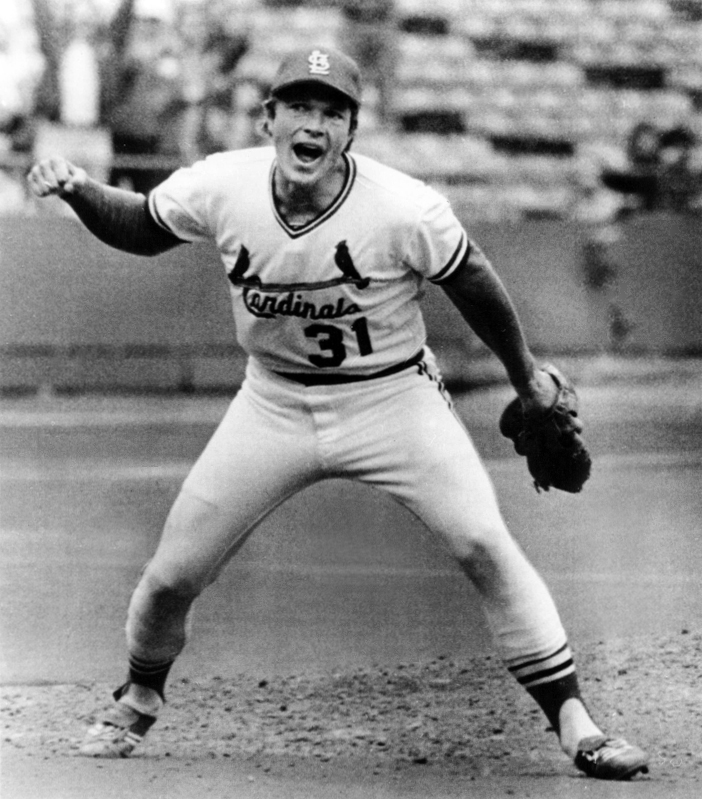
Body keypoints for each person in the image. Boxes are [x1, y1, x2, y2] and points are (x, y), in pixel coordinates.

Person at [28, 46, 649, 780]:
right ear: (268, 119)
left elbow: (474, 279)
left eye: (331, 112)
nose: (312, 124)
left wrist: (527, 378)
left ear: (352, 130)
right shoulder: (223, 184)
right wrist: (78, 189)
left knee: (483, 543)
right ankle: (138, 695)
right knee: (171, 576)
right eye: (298, 106)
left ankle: (577, 722)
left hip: (392, 398)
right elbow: (141, 226)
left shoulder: (402, 206)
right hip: (273, 402)